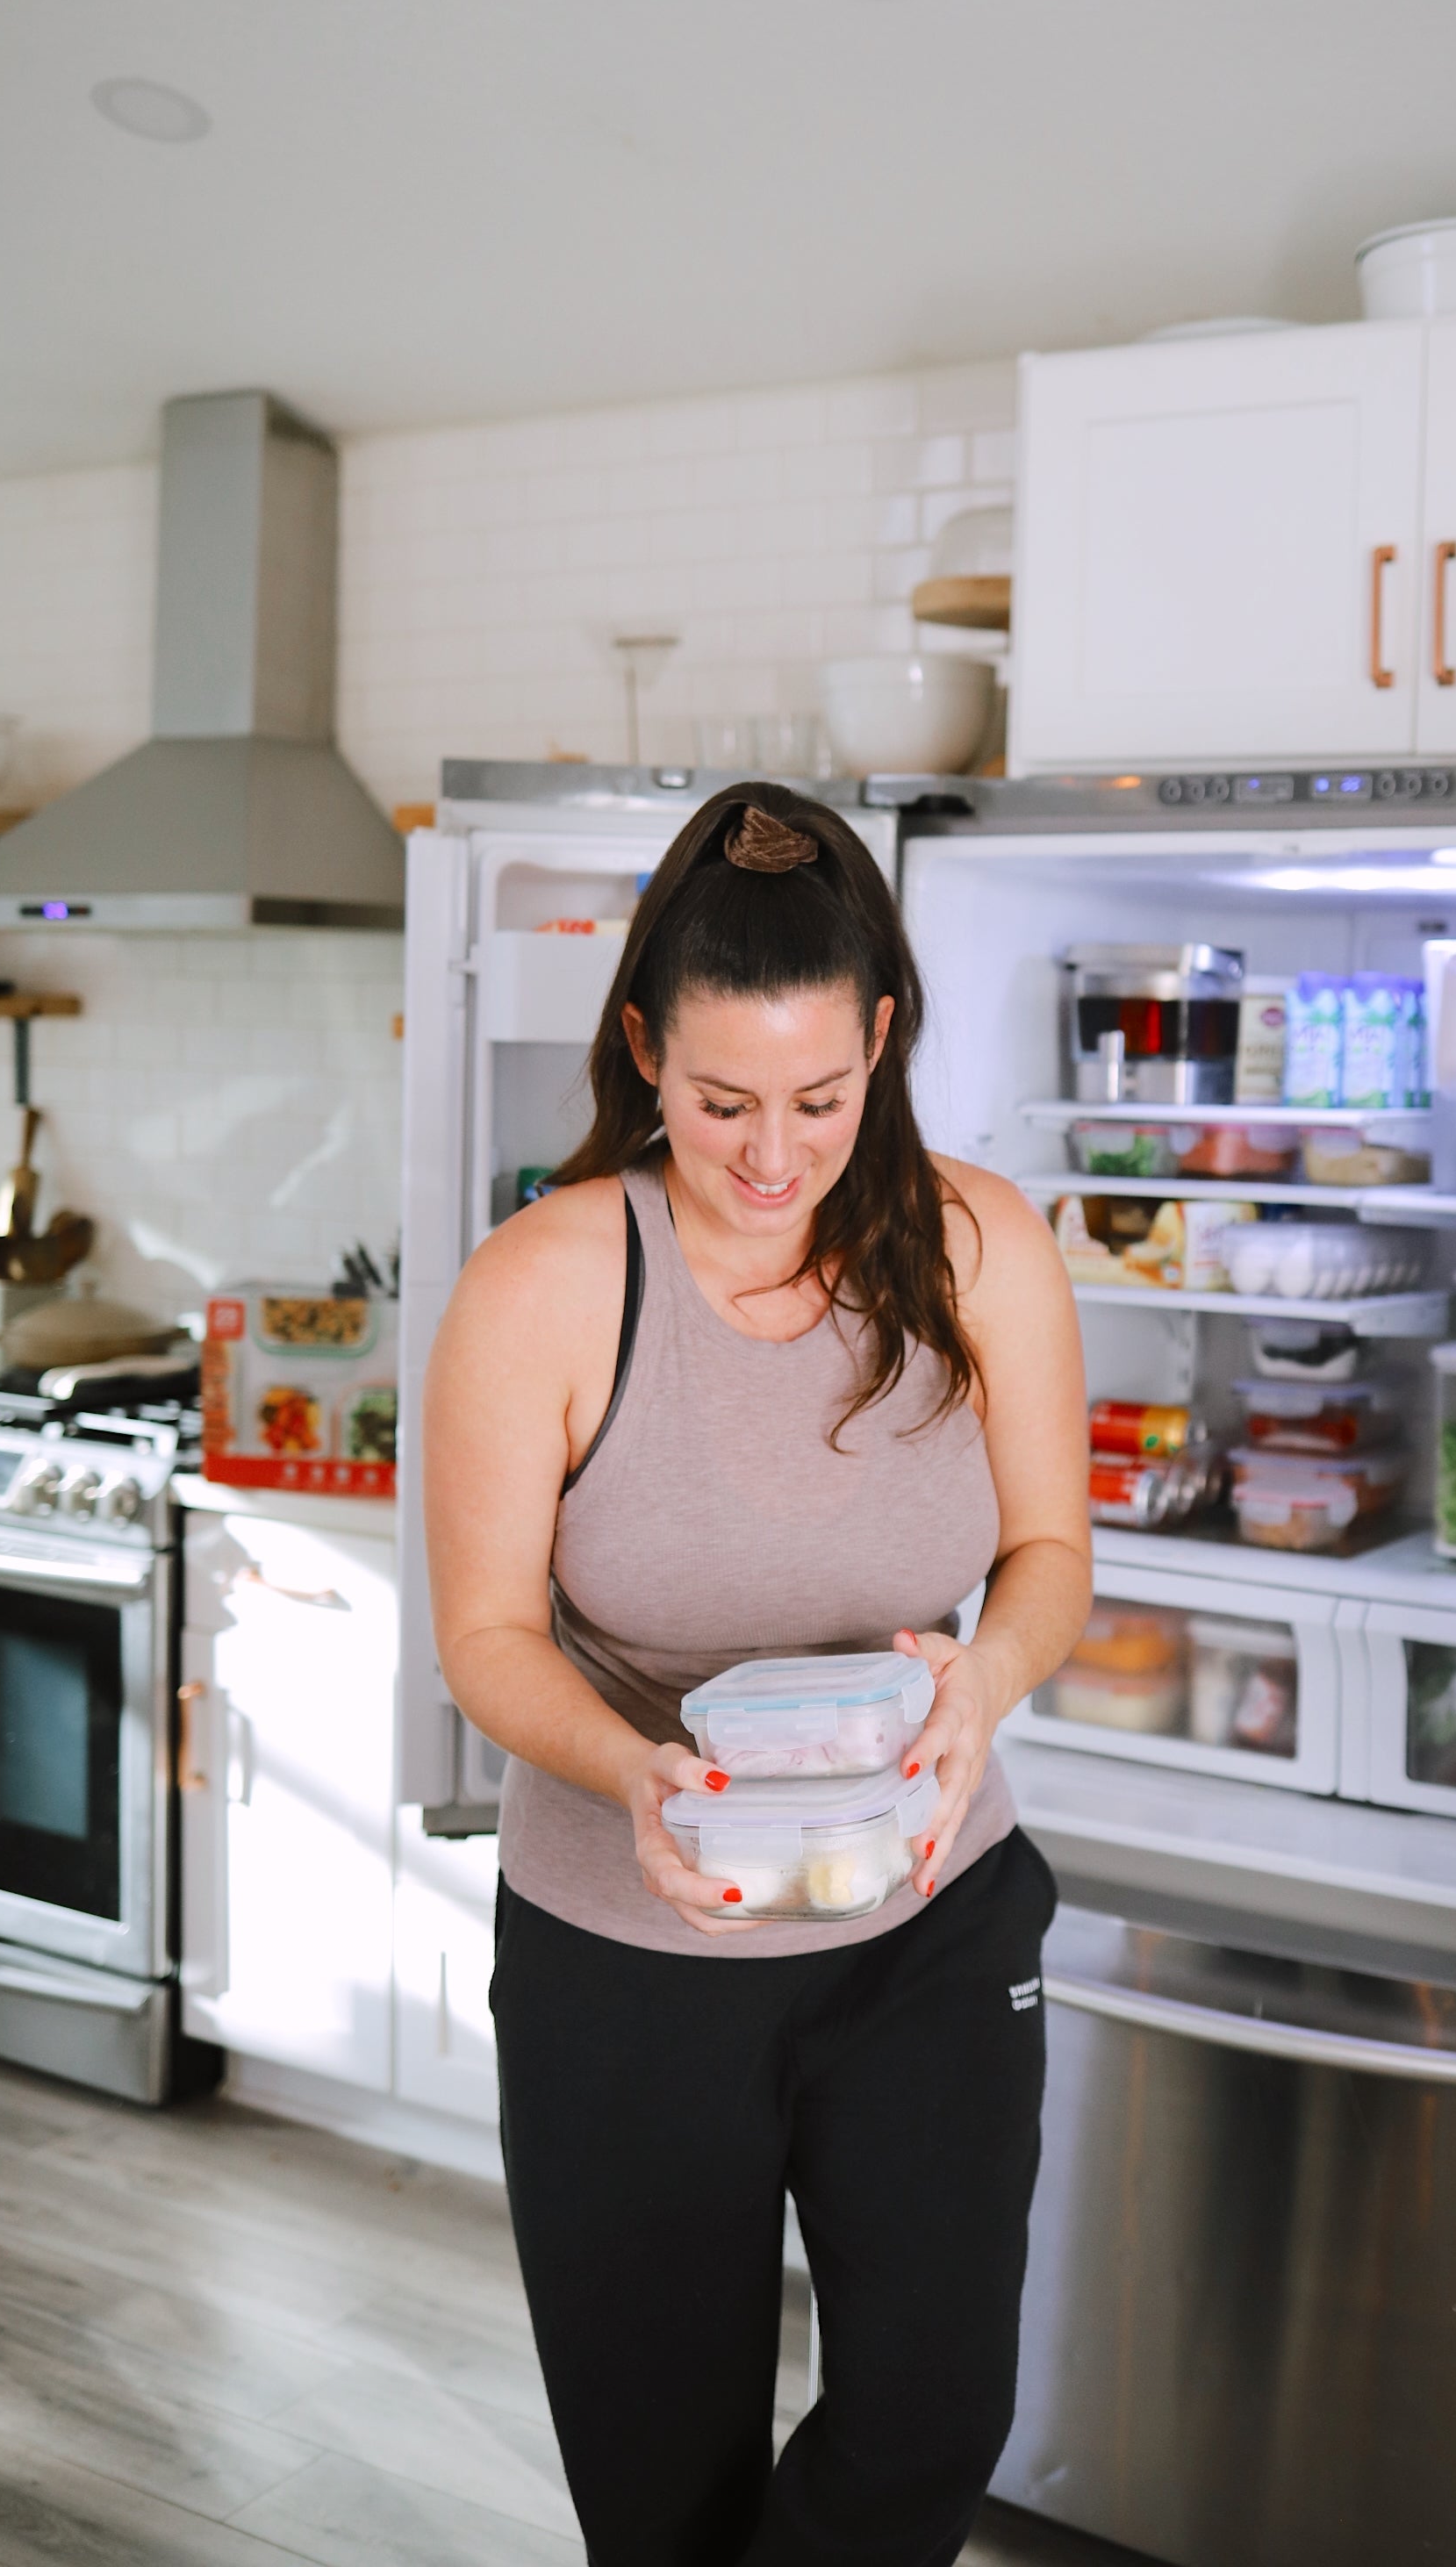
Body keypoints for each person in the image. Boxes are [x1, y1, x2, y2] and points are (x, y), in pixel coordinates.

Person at [423, 780, 1091, 2567]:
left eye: (816, 1096)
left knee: (934, 2413)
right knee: (663, 2493)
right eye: (722, 1104)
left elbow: (1046, 1557)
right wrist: (635, 1771)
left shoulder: (977, 1246)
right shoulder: (545, 1284)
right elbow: (484, 1633)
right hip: (628, 1961)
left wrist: (984, 1683)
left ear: (880, 1039)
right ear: (642, 1049)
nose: (773, 1156)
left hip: (928, 1922)